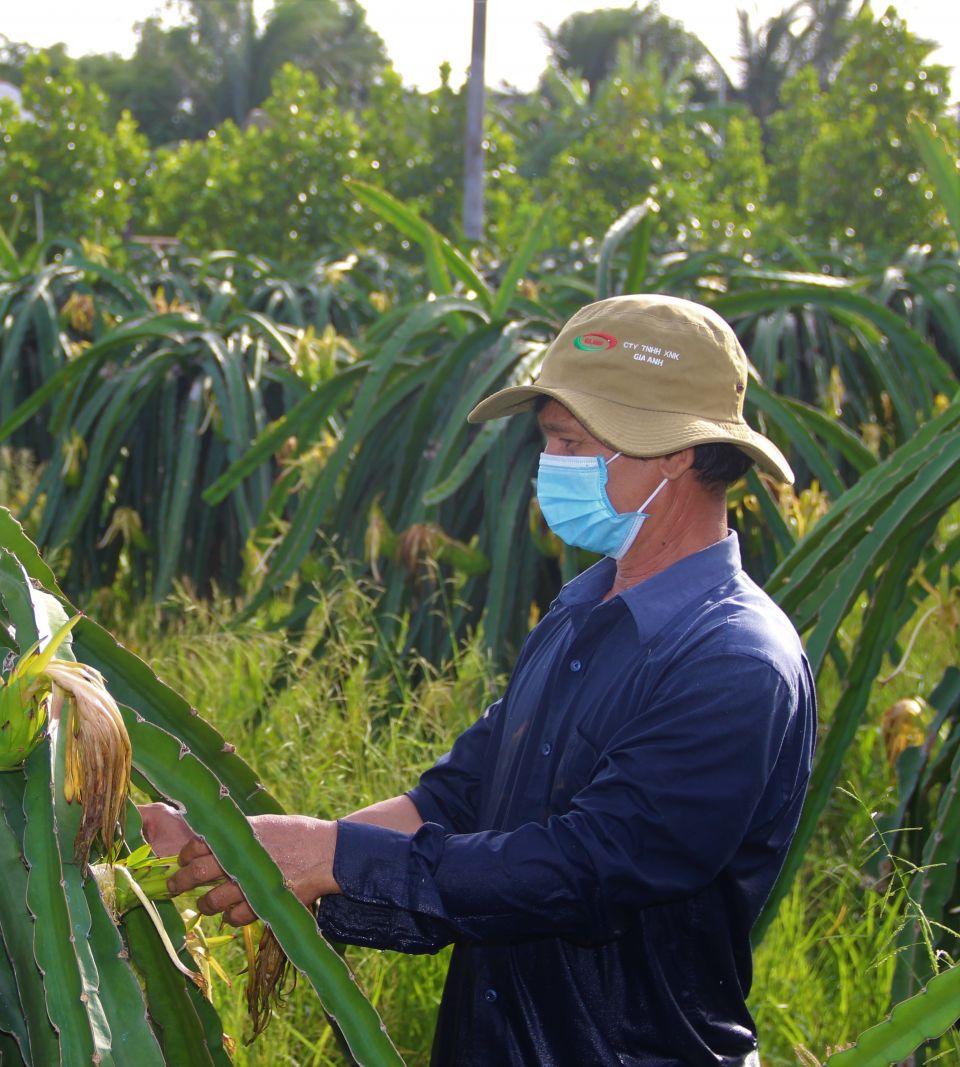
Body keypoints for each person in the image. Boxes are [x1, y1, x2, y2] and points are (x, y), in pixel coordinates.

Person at [141, 294, 818, 1066]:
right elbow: (458, 798)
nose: (551, 464)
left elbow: (586, 869)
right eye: (550, 441)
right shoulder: (580, 609)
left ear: (675, 452)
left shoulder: (733, 662)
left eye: (572, 441)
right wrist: (244, 852)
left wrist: (331, 856)